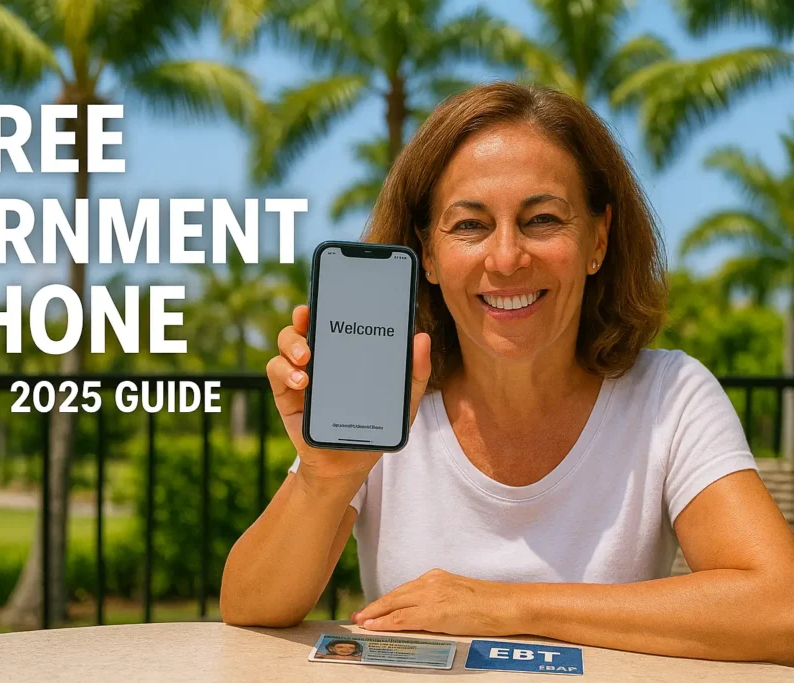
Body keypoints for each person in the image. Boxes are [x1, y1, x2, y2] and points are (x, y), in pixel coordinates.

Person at [219, 82, 794, 664]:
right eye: (470, 226)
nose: (506, 258)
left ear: (597, 238)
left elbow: (782, 609)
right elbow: (249, 608)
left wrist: (505, 606)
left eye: (542, 219)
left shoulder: (670, 396)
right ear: (428, 253)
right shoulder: (388, 397)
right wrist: (324, 479)